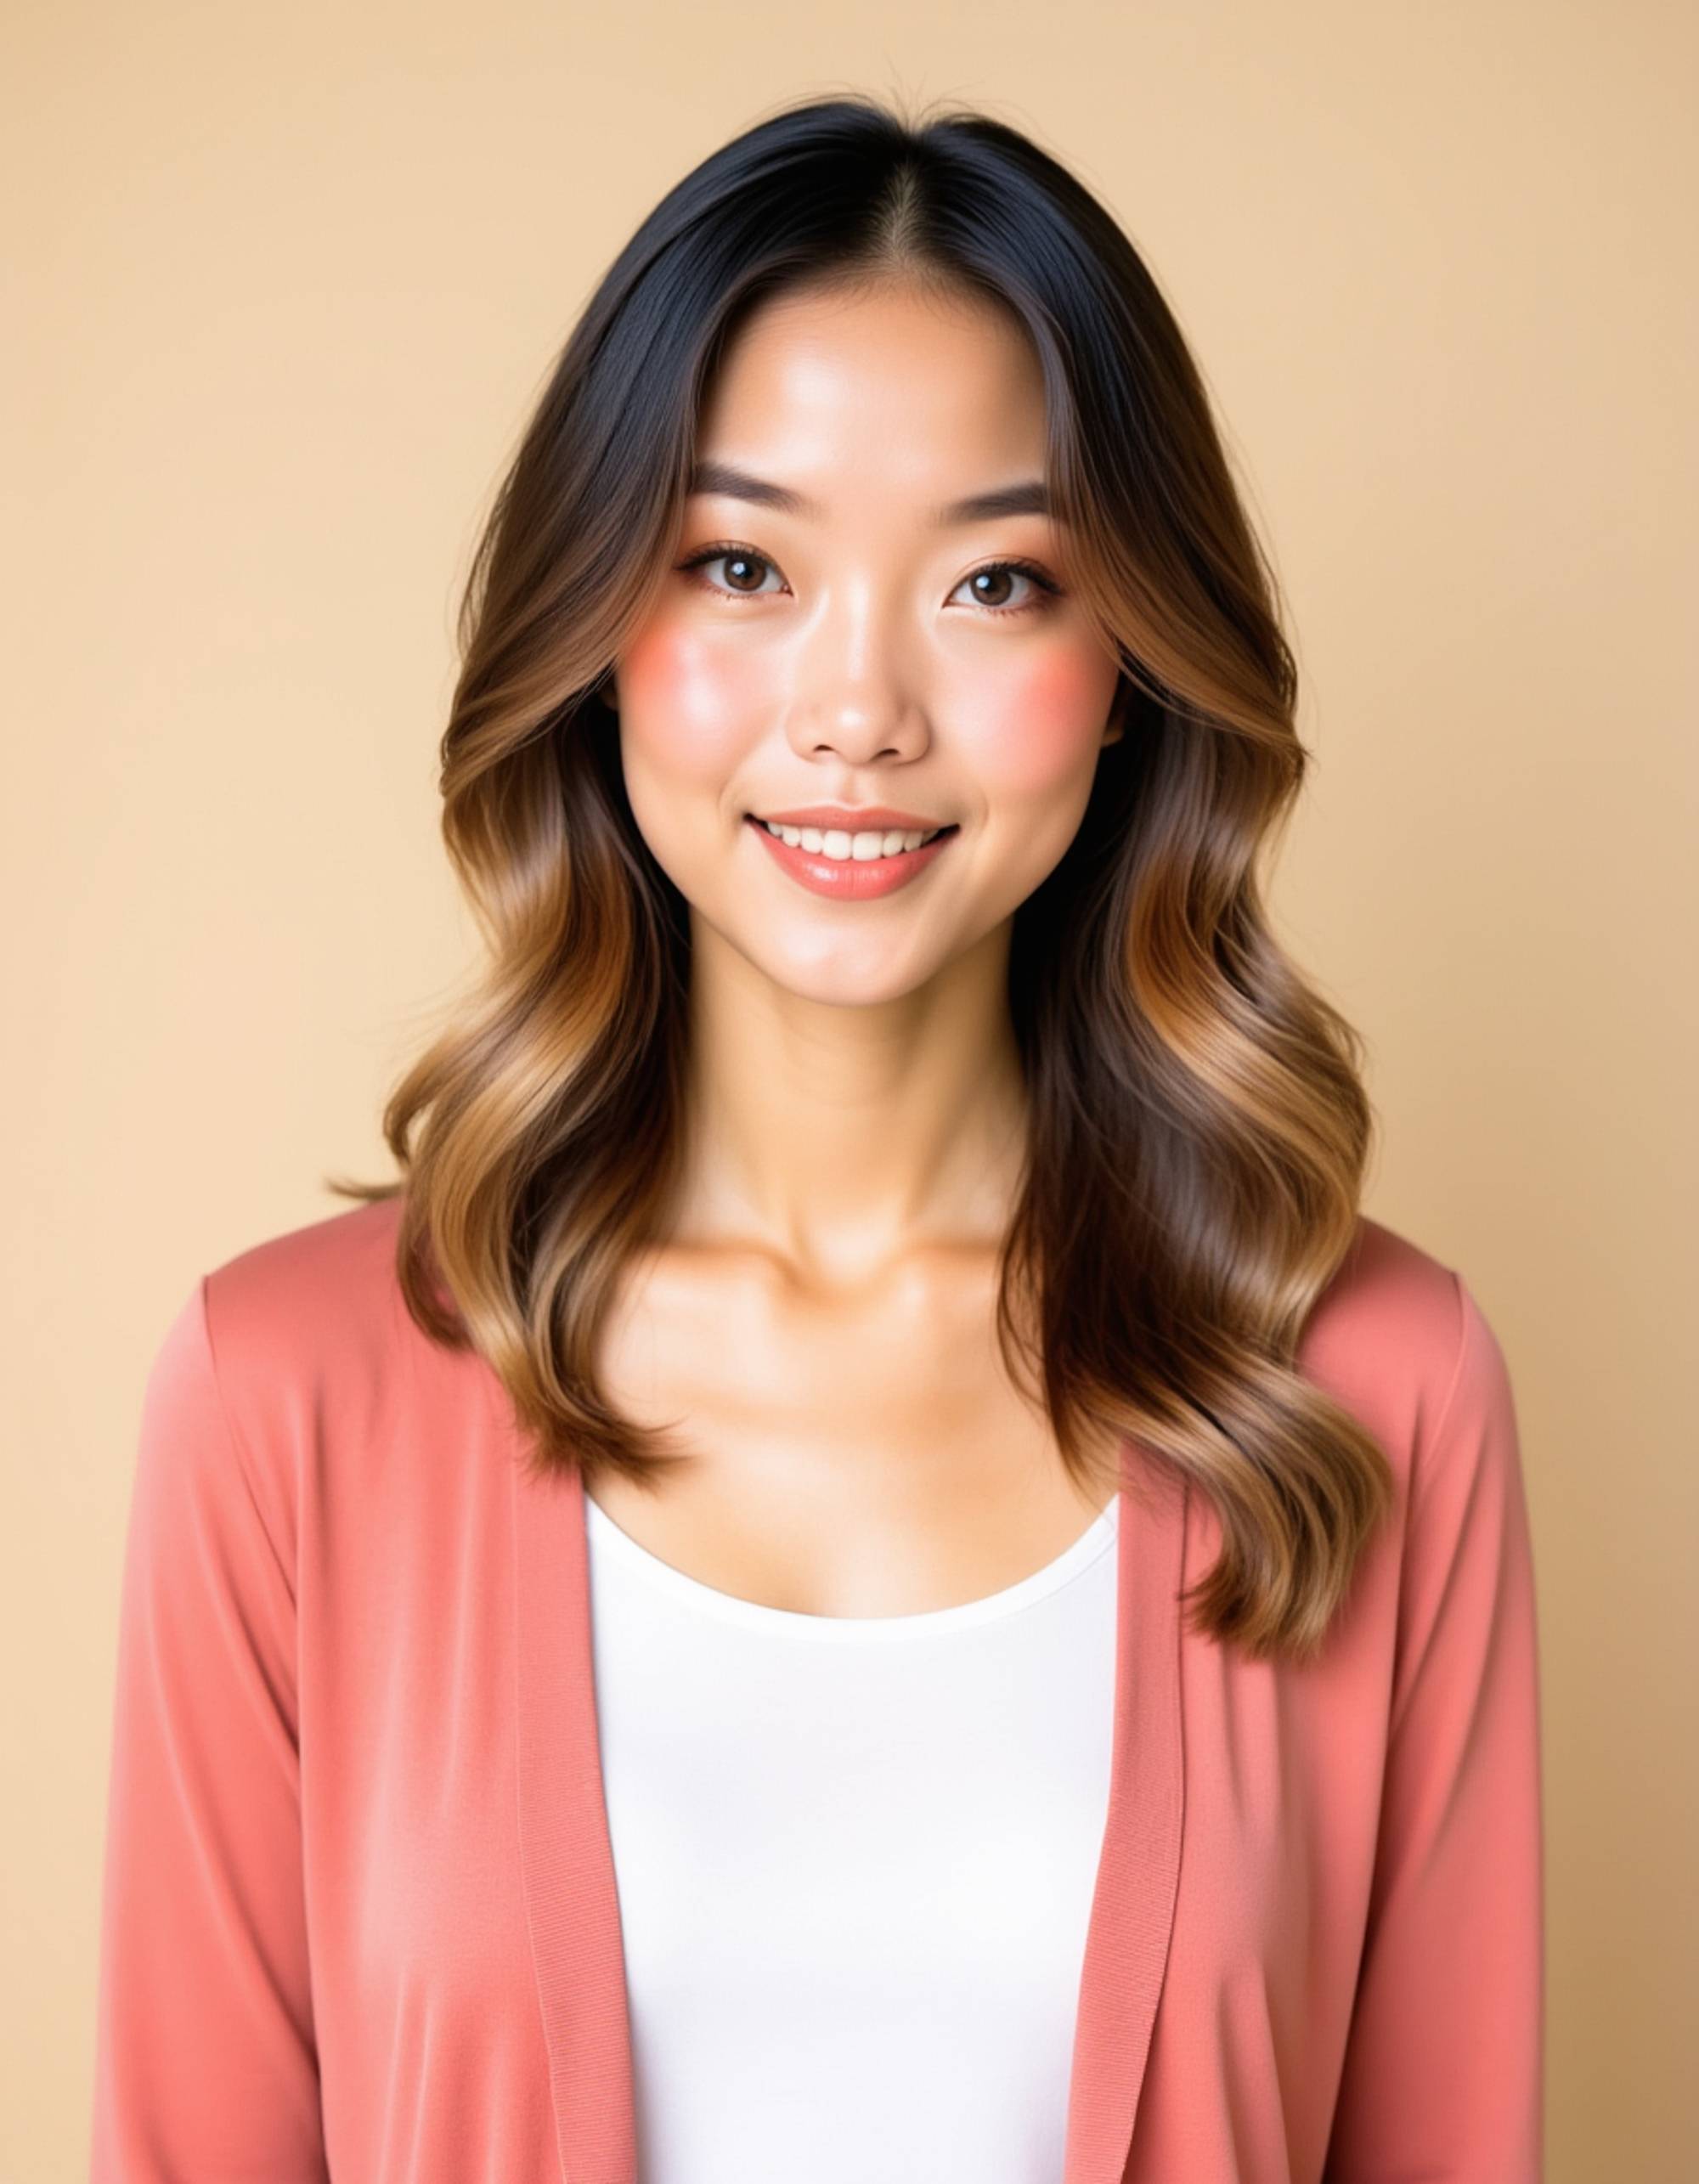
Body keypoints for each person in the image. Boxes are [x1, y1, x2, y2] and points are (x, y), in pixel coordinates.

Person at [88, 92, 1544, 2184]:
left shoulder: (1367, 1387)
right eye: (743, 563)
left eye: (997, 581)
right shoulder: (284, 1396)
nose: (857, 707)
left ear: (1128, 662)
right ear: (602, 626)